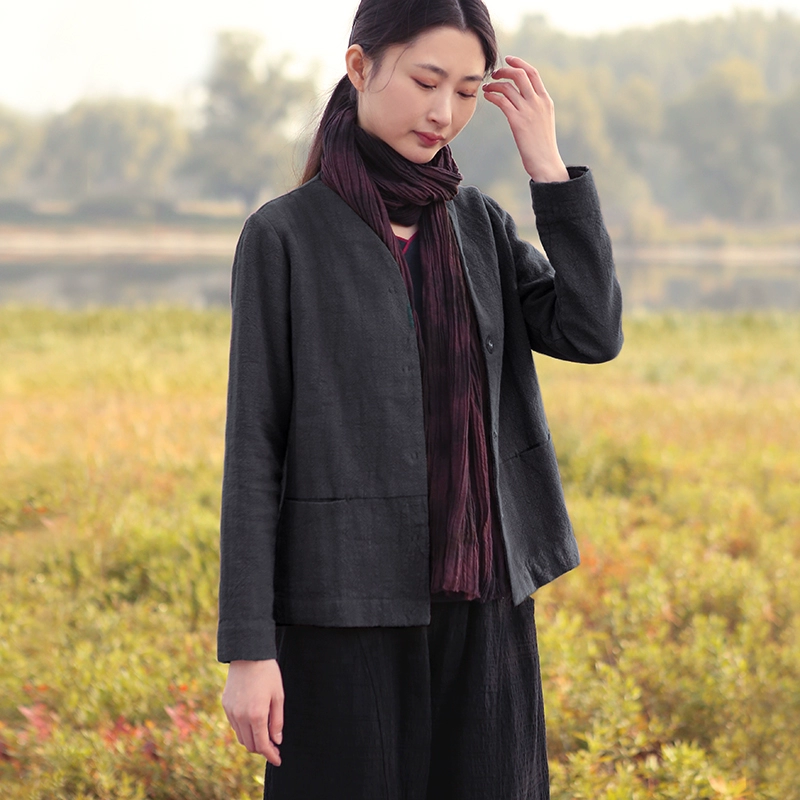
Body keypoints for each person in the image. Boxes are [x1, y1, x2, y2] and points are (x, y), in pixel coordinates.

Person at [216, 0, 623, 797]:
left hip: (485, 609)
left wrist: (547, 167)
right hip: (340, 609)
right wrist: (249, 650)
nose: (444, 112)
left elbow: (591, 330)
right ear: (359, 67)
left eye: (468, 91)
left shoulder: (479, 225)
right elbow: (254, 448)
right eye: (427, 81)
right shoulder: (285, 236)